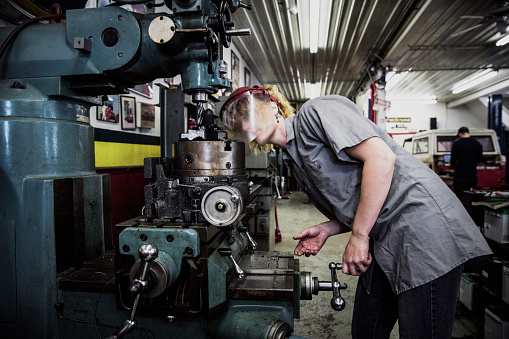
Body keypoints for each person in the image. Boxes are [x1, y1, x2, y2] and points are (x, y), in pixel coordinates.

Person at [219, 85, 492, 339]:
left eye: (249, 114)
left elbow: (381, 159)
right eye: (237, 123)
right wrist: (329, 228)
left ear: (275, 106)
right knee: (366, 330)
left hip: (421, 229)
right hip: (383, 239)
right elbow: (356, 198)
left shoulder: (317, 112)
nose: (245, 125)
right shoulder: (292, 157)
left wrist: (359, 236)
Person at [450, 126, 483, 206]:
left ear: (460, 134)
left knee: (460, 197)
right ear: (468, 133)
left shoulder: (457, 144)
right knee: (471, 196)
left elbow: (453, 160)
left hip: (460, 176)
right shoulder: (477, 144)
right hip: (472, 175)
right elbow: (479, 159)